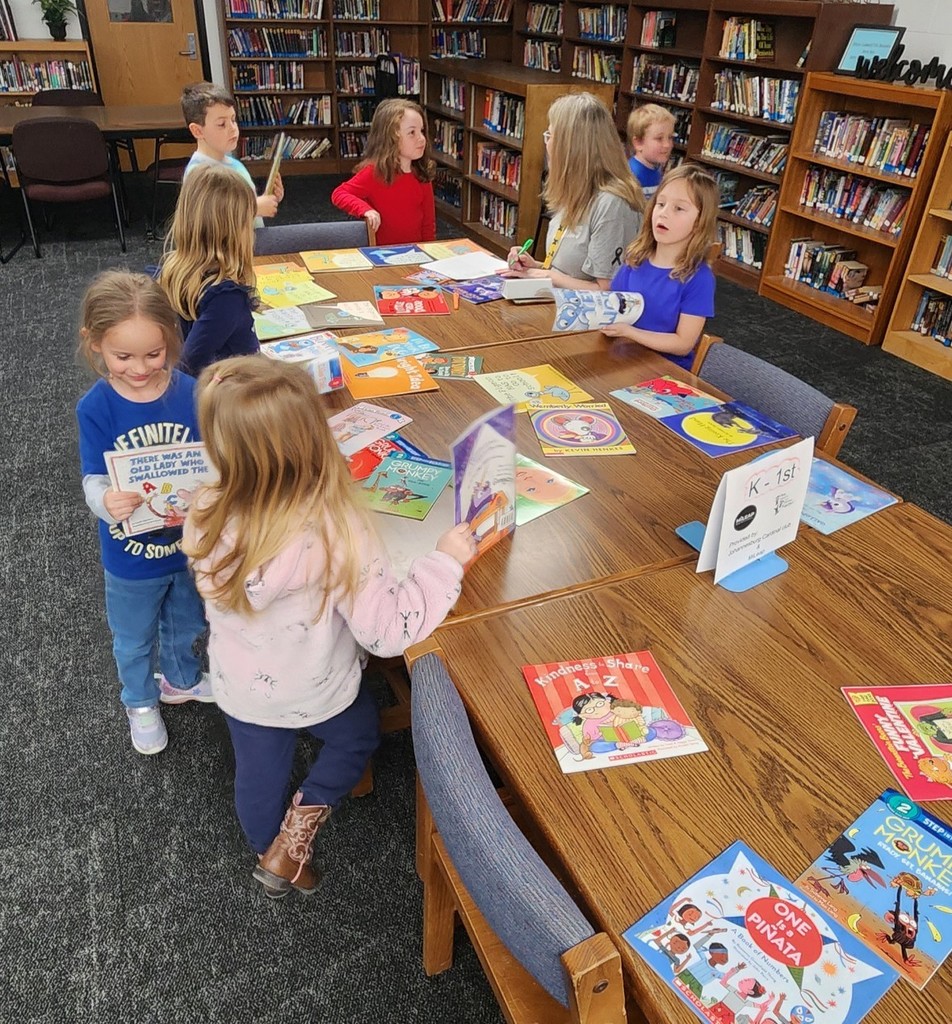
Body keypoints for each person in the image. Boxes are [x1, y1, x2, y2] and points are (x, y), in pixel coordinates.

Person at [183, 356, 476, 898]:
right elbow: (387, 633)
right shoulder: (336, 528)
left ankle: (269, 850)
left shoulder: (205, 506)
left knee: (257, 777)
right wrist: (444, 563)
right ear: (313, 441)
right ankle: (301, 825)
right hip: (317, 685)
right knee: (359, 735)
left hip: (242, 685)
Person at [76, 271, 213, 757]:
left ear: (171, 339)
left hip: (187, 545)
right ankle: (139, 701)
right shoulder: (96, 407)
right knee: (132, 638)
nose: (139, 368)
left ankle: (180, 679)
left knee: (187, 620)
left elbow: (212, 457)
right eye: (123, 357)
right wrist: (104, 501)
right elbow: (93, 478)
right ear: (94, 343)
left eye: (153, 354)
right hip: (130, 556)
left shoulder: (191, 391)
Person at [504, 92, 643, 290]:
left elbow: (607, 290)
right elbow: (570, 273)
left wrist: (547, 275)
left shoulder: (612, 204)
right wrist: (535, 267)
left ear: (570, 147)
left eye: (550, 136)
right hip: (561, 300)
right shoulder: (577, 189)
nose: (546, 143)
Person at [602, 163, 719, 370]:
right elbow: (612, 303)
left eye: (679, 208)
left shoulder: (699, 279)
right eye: (661, 204)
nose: (663, 214)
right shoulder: (636, 258)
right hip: (622, 357)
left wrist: (630, 333)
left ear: (699, 222)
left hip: (664, 371)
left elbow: (683, 344)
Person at [159, 163, 260, 377]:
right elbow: (187, 364)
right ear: (233, 231)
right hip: (234, 391)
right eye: (248, 224)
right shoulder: (226, 297)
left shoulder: (175, 269)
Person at [330, 97, 436, 245]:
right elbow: (340, 194)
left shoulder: (422, 174)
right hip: (382, 253)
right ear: (391, 138)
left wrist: (429, 251)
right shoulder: (375, 172)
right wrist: (365, 209)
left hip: (415, 252)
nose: (422, 139)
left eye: (422, 131)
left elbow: (428, 224)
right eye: (412, 132)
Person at [181, 81, 282, 227]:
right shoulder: (197, 173)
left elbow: (242, 201)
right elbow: (211, 219)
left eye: (233, 120)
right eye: (222, 124)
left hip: (250, 236)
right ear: (197, 131)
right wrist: (255, 208)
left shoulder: (232, 163)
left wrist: (270, 198)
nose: (233, 128)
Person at [627, 103, 676, 199]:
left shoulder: (657, 170)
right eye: (659, 138)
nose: (667, 145)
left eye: (670, 137)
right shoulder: (631, 176)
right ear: (638, 143)